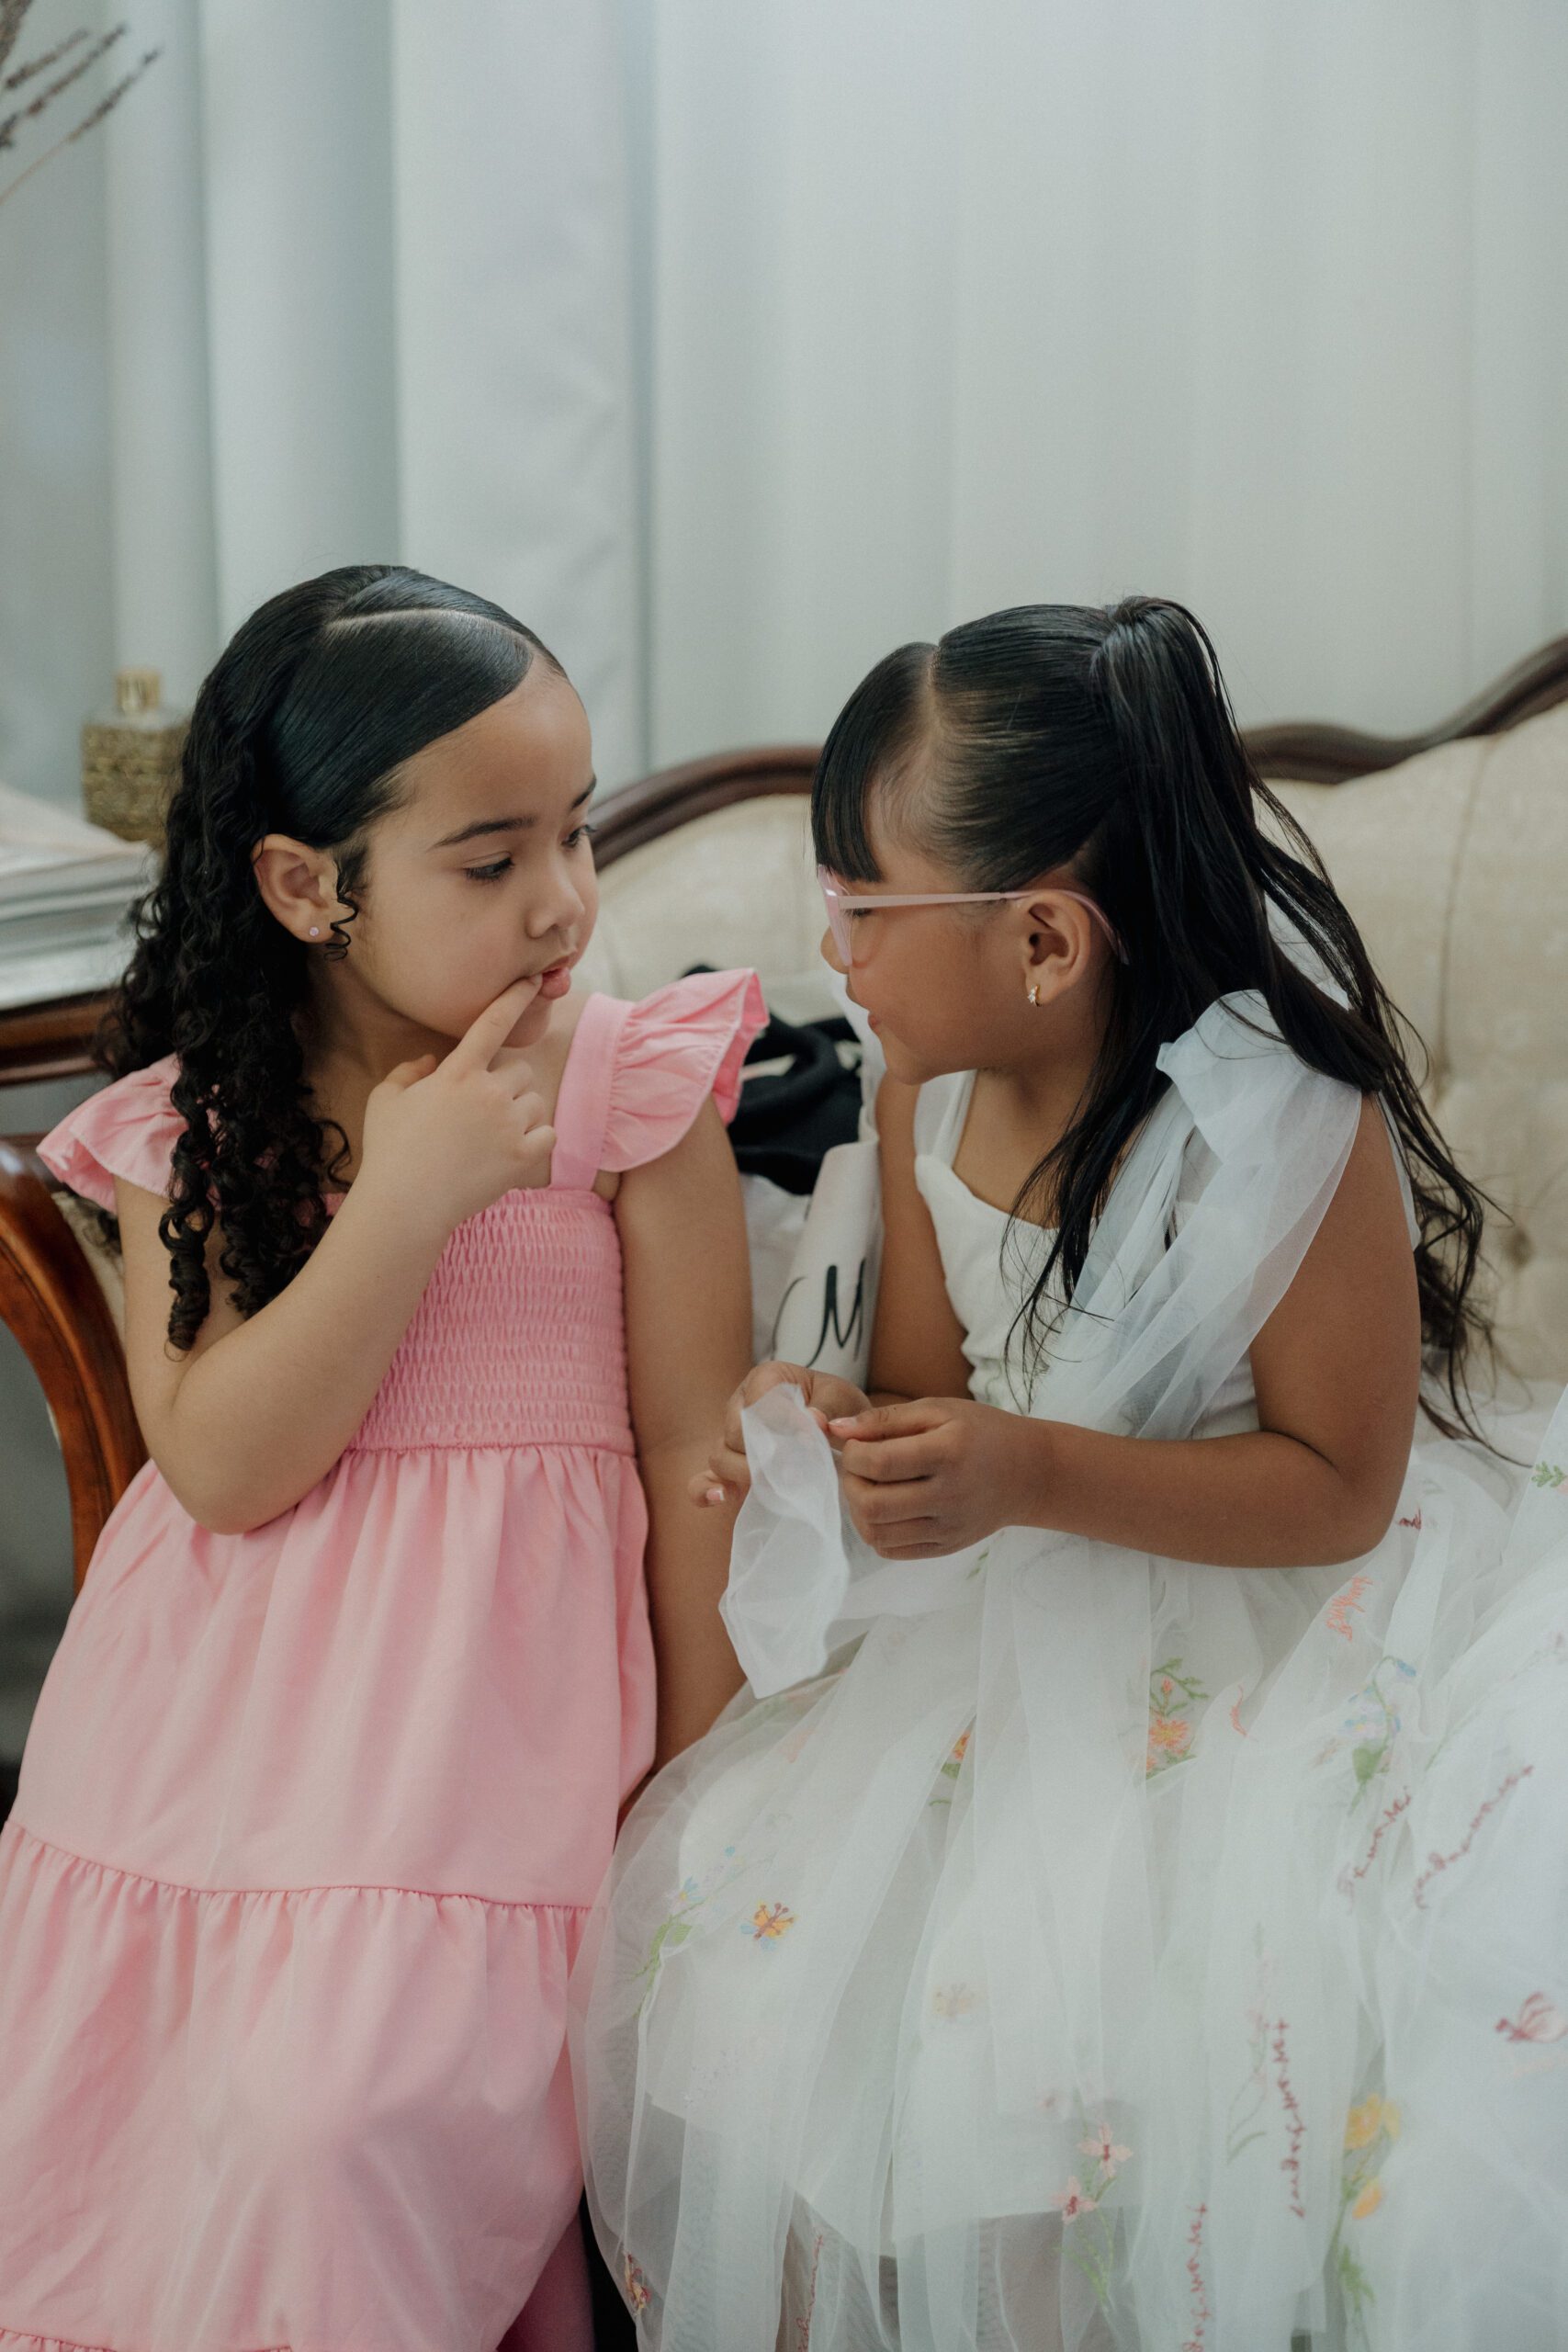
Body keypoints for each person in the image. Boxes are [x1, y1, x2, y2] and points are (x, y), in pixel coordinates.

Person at [573, 597, 1568, 2350]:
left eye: (861, 910)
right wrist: (824, 1417)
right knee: (787, 1993)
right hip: (1003, 1625)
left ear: (1043, 939)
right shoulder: (921, 1091)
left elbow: (1337, 1485)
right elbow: (927, 1391)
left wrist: (1027, 1470)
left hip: (1278, 1621)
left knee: (1158, 2041)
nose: (835, 954)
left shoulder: (1281, 1121)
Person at [0, 566, 761, 2352]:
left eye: (575, 832)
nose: (565, 900)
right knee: (177, 2139)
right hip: (218, 1754)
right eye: (491, 862)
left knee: (334, 2130)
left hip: (482, 1763)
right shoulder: (195, 1131)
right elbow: (222, 1466)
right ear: (305, 885)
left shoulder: (629, 1097)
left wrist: (698, 1796)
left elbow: (691, 1452)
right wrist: (405, 1200)